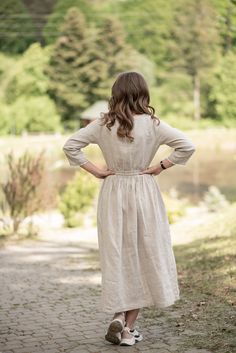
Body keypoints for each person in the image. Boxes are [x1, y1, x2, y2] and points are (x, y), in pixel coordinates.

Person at [62, 71, 196, 346]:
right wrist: (160, 166)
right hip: (143, 190)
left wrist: (97, 171)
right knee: (144, 255)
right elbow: (187, 146)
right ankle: (126, 327)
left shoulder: (103, 123)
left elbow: (71, 146)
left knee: (118, 256)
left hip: (113, 192)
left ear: (116, 94)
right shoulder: (153, 124)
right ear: (143, 93)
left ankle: (121, 319)